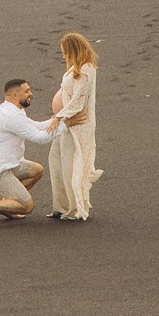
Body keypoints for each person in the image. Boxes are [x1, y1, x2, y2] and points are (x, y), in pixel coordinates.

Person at [0, 77, 56, 227]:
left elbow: (36, 125)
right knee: (27, 206)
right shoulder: (11, 116)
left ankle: (8, 207)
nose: (31, 93)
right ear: (15, 95)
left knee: (36, 170)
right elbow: (39, 138)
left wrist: (59, 120)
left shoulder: (14, 109)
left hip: (6, 164)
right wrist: (66, 125)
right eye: (27, 91)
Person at [47, 30, 102, 223]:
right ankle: (60, 206)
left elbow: (79, 101)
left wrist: (59, 116)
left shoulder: (87, 69)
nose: (63, 55)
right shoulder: (74, 68)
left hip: (75, 125)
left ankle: (74, 208)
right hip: (65, 123)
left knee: (71, 165)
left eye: (65, 51)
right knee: (56, 161)